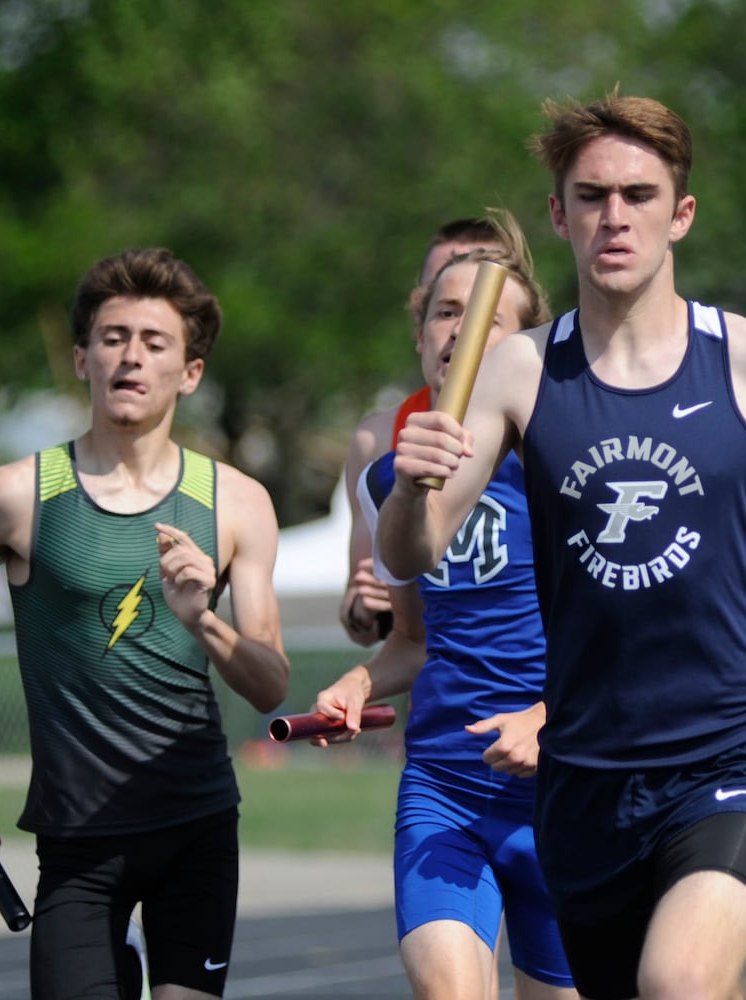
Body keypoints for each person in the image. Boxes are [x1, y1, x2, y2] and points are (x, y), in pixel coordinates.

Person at [377, 91, 746, 1000]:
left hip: (727, 754)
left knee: (680, 981)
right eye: (590, 197)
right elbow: (417, 550)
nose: (614, 216)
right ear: (559, 215)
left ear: (681, 214)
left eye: (638, 194)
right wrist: (412, 480)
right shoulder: (522, 370)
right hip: (584, 783)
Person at [0, 247, 290, 1000]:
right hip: (78, 845)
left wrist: (203, 619)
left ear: (191, 373)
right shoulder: (15, 496)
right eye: (113, 338)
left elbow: (269, 684)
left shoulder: (237, 502)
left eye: (155, 341)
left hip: (195, 828)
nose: (131, 356)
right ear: (81, 358)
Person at [312, 210, 576, 999]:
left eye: (490, 316)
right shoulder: (386, 476)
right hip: (445, 786)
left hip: (566, 784)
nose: (461, 329)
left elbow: (629, 640)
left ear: (529, 346)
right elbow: (414, 641)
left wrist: (545, 716)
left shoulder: (568, 465)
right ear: (421, 334)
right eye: (445, 310)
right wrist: (357, 684)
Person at [338, 217, 514, 647]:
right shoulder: (380, 439)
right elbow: (366, 614)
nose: (462, 327)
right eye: (448, 305)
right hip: (435, 692)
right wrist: (366, 610)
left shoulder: (548, 431)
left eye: (484, 306)